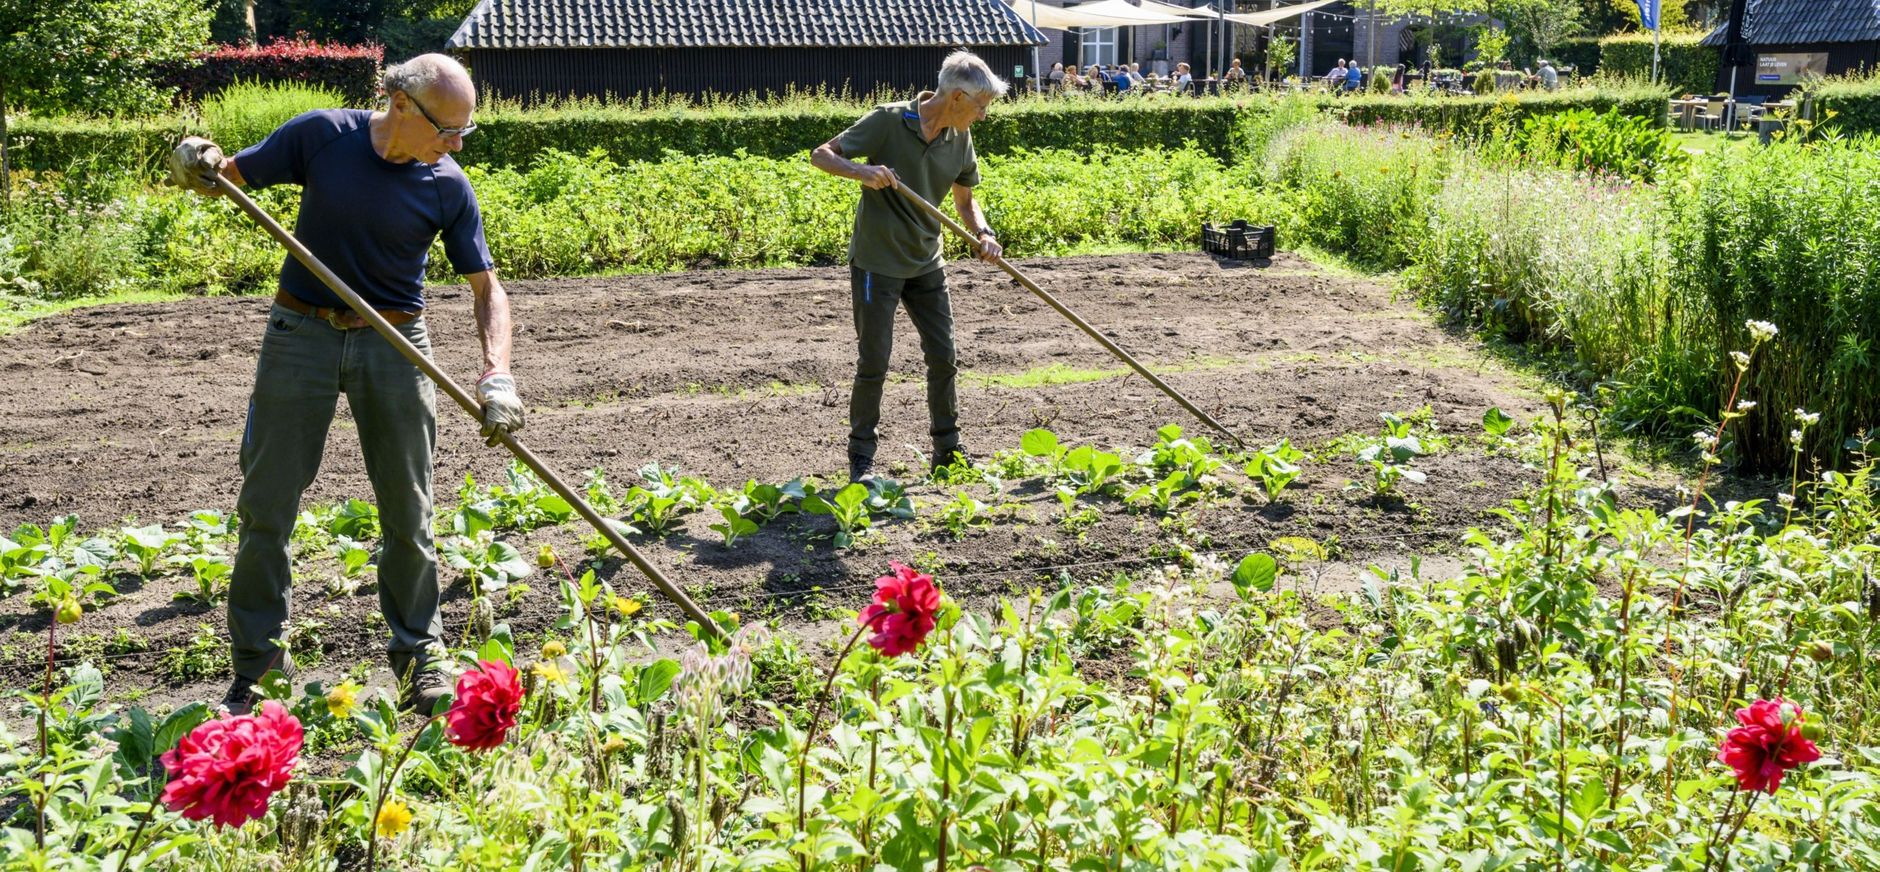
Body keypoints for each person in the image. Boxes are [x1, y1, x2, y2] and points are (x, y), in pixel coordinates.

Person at [165, 54, 522, 717]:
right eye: (449, 129)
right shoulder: (322, 136)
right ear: (402, 105)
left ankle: (420, 658)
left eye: (463, 134)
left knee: (409, 512)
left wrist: (496, 373)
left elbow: (486, 288)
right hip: (300, 334)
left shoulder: (447, 184)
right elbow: (228, 180)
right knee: (267, 507)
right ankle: (259, 670)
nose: (455, 145)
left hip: (395, 342)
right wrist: (198, 165)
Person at [810, 51, 1005, 483]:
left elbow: (965, 200)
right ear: (957, 97)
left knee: (944, 356)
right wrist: (860, 170)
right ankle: (862, 460)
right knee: (874, 362)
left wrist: (984, 233)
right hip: (876, 264)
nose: (984, 115)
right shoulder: (887, 120)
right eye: (981, 106)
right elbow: (820, 155)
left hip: (926, 264)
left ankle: (948, 451)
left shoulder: (960, 137)